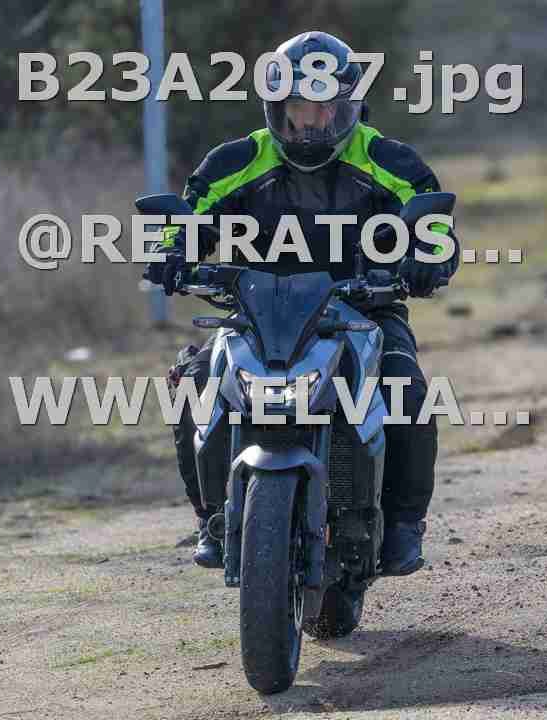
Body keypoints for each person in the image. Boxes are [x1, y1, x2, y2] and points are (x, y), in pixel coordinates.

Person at [144, 31, 460, 575]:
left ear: (348, 106)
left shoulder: (387, 159)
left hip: (364, 309)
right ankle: (212, 516)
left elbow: (433, 224)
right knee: (195, 381)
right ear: (275, 108)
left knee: (405, 385)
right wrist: (171, 251)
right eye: (298, 108)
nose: (311, 122)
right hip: (256, 312)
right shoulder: (238, 160)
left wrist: (429, 256)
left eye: (323, 107)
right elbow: (191, 218)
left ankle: (404, 524)